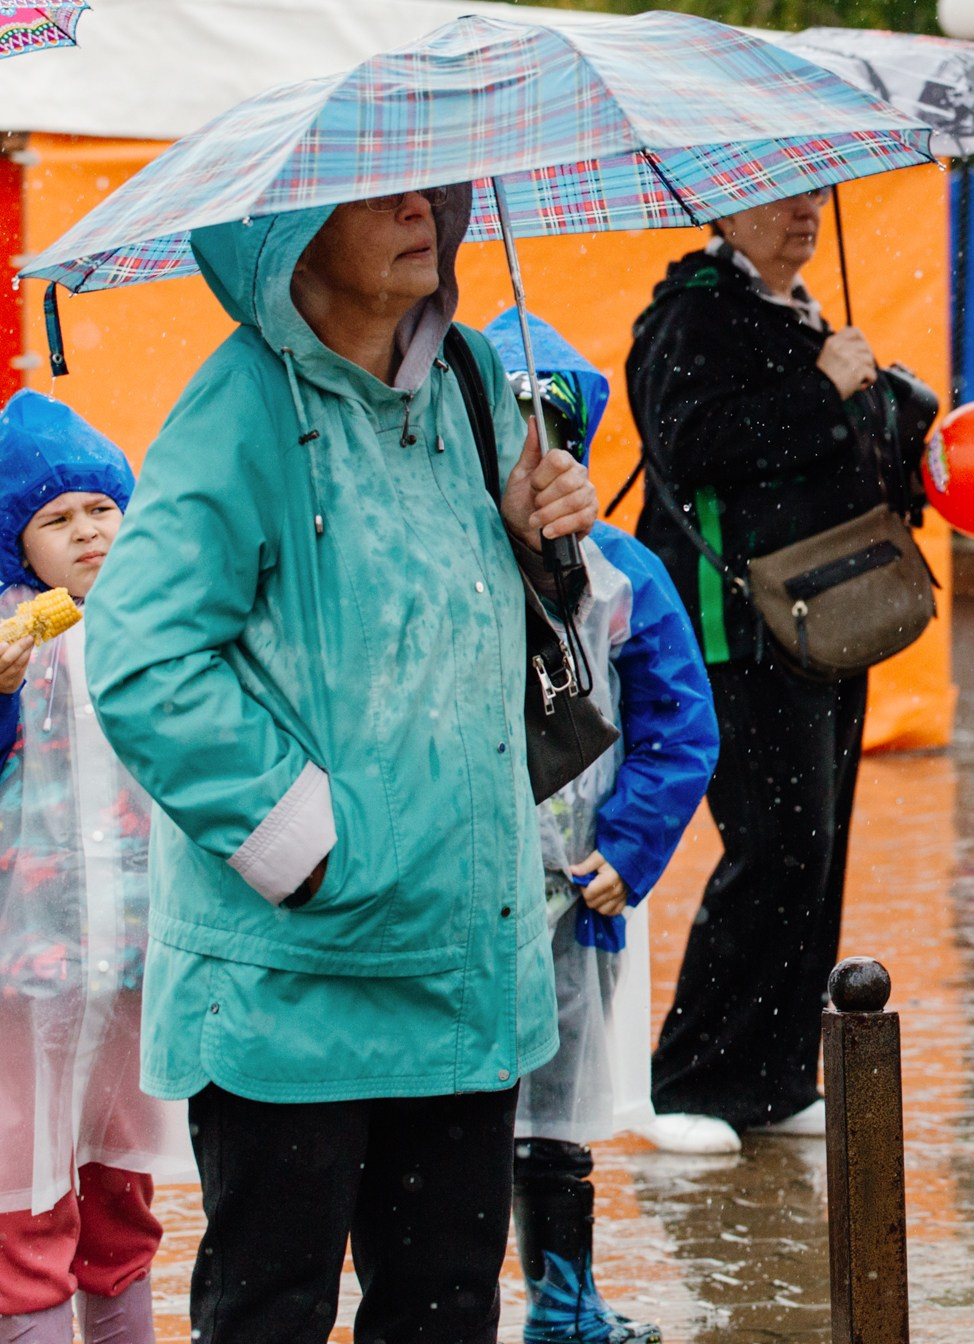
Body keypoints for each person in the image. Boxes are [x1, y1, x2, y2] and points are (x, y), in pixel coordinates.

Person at [85, 189, 600, 1344]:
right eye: (384, 192)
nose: (425, 208)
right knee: (272, 1310)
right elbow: (141, 653)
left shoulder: (473, 376)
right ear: (292, 231)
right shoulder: (240, 409)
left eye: (439, 185)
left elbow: (495, 626)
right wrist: (307, 845)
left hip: (466, 966)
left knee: (444, 1311)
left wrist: (538, 540)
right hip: (294, 986)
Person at [626, 188, 935, 1154]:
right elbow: (693, 448)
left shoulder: (799, 314)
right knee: (769, 846)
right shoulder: (693, 312)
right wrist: (824, 390)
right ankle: (688, 1081)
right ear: (726, 209)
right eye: (780, 200)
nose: (804, 214)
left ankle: (772, 1074)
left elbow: (821, 457)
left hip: (830, 616)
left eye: (814, 197)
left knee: (818, 849)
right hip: (741, 626)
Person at [484, 312, 718, 1344]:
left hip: (579, 892)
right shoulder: (451, 562)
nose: (537, 461)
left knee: (560, 1103)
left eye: (555, 435)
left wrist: (628, 847)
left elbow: (678, 722)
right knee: (453, 1102)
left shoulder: (624, 573)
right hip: (462, 885)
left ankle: (562, 1300)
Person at [0, 393, 187, 1344]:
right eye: (54, 519)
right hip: (21, 971)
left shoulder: (153, 626)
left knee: (120, 1185)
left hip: (130, 959)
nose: (85, 534)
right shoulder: (9, 643)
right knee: (24, 1190)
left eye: (101, 510)